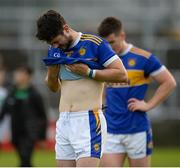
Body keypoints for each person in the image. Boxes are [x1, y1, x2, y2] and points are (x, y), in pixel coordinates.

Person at [36, 10, 128, 167]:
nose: (55, 46)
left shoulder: (94, 43)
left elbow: (122, 75)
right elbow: (53, 87)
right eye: (51, 43)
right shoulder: (54, 49)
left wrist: (89, 72)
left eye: (57, 41)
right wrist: (52, 71)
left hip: (88, 120)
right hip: (64, 120)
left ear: (65, 28)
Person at [97, 17, 177, 167]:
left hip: (137, 129)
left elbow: (169, 82)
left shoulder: (143, 58)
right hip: (111, 129)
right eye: (105, 43)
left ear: (122, 35)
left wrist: (148, 105)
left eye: (112, 42)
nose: (109, 47)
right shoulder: (103, 60)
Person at [0, 66, 47, 167]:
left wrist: (42, 137)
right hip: (15, 132)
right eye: (17, 73)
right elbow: (4, 112)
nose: (17, 76)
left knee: (25, 158)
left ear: (28, 76)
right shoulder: (12, 92)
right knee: (23, 159)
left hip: (30, 132)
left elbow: (42, 116)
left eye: (20, 73)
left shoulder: (35, 94)